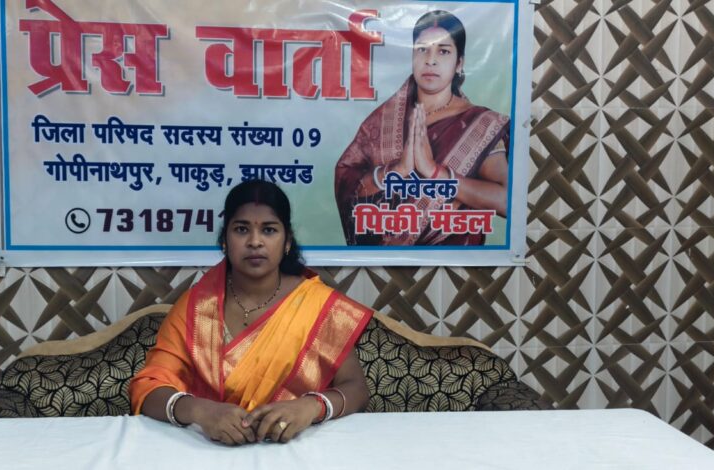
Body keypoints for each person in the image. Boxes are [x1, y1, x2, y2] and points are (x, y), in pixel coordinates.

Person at [129, 180, 373, 445]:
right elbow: (148, 387)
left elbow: (356, 389)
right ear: (224, 240)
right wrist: (200, 411)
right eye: (242, 229)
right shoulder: (197, 308)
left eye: (269, 230)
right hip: (208, 450)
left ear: (287, 241)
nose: (255, 242)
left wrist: (310, 407)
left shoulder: (318, 306)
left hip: (297, 449)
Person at [334, 10, 510, 246]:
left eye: (443, 51)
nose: (430, 60)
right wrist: (396, 171)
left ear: (459, 63)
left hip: (454, 261)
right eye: (422, 49)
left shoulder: (479, 125)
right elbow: (348, 183)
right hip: (384, 263)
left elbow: (507, 201)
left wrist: (436, 173)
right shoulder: (382, 121)